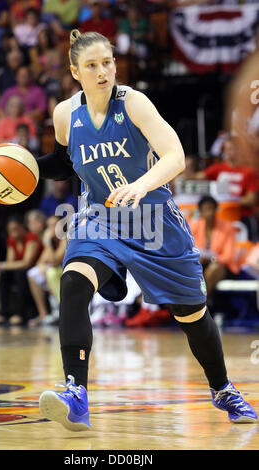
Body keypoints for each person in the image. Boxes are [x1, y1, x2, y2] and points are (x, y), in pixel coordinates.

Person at [37, 30, 257, 430]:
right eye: (92, 65)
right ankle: (76, 393)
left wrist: (140, 185)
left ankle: (223, 388)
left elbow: (175, 156)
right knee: (73, 283)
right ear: (75, 71)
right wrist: (27, 168)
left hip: (155, 222)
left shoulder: (133, 103)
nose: (103, 72)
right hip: (101, 219)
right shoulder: (65, 114)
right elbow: (64, 162)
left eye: (107, 62)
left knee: (192, 316)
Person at [194, 136, 259, 241]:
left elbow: (251, 200)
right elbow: (198, 177)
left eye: (231, 149)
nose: (228, 152)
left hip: (242, 217)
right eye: (226, 149)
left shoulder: (248, 171)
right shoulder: (218, 168)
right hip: (221, 219)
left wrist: (230, 200)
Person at [0, 214, 44, 325]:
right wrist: (0, 267)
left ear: (22, 227)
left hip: (33, 271)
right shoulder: (12, 240)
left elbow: (27, 263)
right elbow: (9, 262)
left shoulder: (31, 238)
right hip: (20, 270)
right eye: (10, 230)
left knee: (19, 274)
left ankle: (20, 314)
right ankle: (3, 313)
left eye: (16, 229)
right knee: (4, 275)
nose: (13, 233)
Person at [190, 196, 239, 302]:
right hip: (201, 264)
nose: (210, 213)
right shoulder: (194, 226)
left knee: (213, 268)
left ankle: (200, 303)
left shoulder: (227, 227)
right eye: (206, 210)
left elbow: (228, 256)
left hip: (223, 267)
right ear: (200, 212)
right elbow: (188, 249)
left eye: (212, 209)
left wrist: (211, 258)